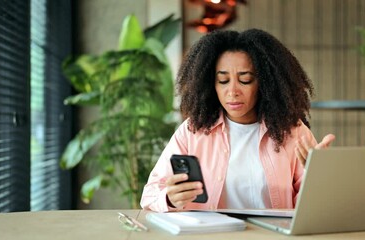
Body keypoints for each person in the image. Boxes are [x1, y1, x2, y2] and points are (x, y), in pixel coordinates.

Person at [140, 29, 335, 212]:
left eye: (245, 79)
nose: (232, 91)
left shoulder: (293, 132)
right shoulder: (193, 131)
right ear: (210, 83)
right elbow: (149, 195)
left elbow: (313, 210)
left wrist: (318, 175)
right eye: (223, 81)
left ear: (266, 83)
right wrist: (169, 198)